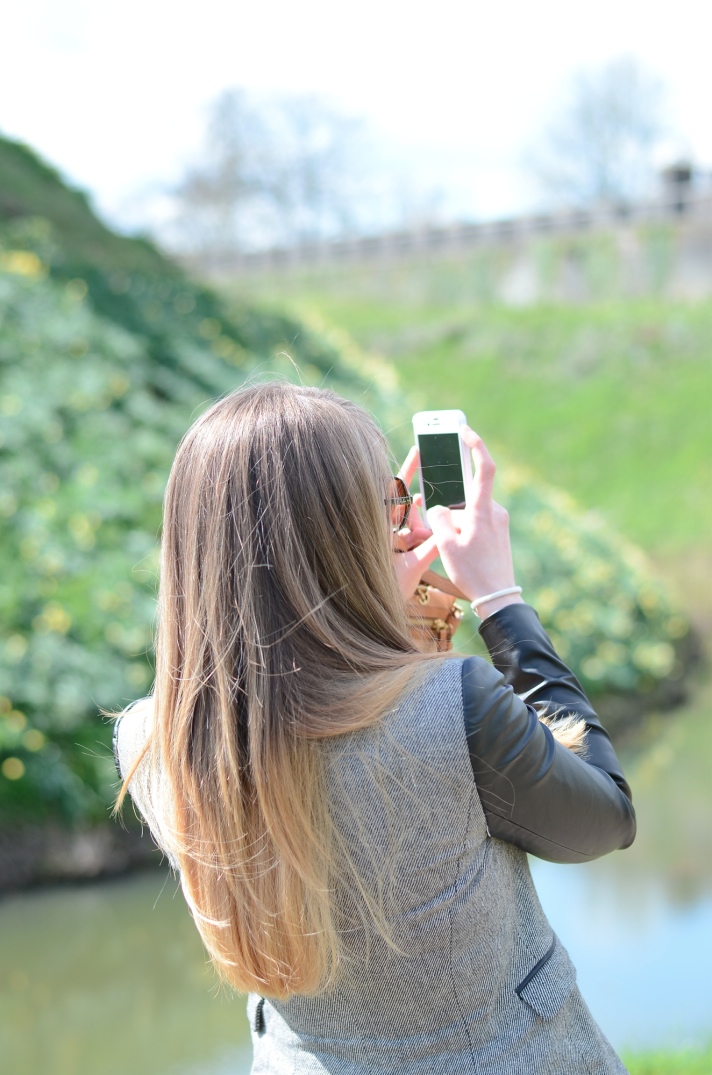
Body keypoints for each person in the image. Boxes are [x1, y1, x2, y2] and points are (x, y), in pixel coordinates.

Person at [114, 381, 636, 1075]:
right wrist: (500, 599)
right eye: (387, 505)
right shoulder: (456, 702)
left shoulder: (153, 739)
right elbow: (607, 816)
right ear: (340, 540)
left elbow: (309, 721)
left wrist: (369, 621)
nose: (405, 522)